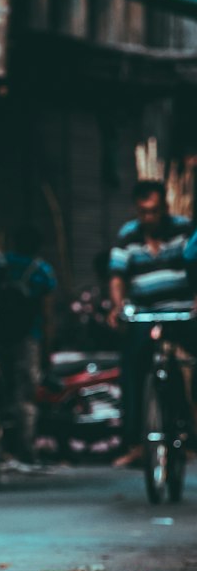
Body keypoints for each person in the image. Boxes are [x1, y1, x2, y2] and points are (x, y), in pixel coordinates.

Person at [108, 179, 196, 467]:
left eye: (155, 211)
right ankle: (135, 440)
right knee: (132, 366)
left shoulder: (183, 229)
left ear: (165, 209)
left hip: (183, 312)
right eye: (144, 212)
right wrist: (118, 306)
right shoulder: (128, 236)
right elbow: (118, 276)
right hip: (145, 313)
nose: (149, 218)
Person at [0, 228, 56, 464]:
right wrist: (47, 348)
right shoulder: (41, 271)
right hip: (28, 338)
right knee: (25, 395)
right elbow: (47, 312)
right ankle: (25, 449)